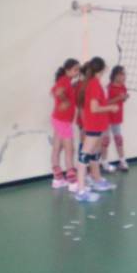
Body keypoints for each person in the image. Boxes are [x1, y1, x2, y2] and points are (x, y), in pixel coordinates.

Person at [75, 57, 118, 202]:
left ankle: (97, 179)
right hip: (93, 125)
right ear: (102, 69)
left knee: (94, 154)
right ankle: (81, 190)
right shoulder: (93, 84)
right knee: (84, 156)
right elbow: (94, 108)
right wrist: (111, 107)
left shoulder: (95, 83)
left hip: (98, 125)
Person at [50, 58, 80, 189]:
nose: (77, 72)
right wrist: (65, 101)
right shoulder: (64, 81)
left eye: (78, 70)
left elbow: (53, 91)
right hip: (63, 121)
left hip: (59, 119)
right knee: (70, 150)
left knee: (57, 148)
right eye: (75, 70)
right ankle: (72, 182)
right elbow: (56, 92)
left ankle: (57, 179)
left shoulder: (65, 81)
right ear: (67, 70)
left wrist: (67, 95)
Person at [101, 66, 130, 172]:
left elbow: (122, 100)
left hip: (117, 118)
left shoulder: (123, 87)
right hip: (106, 117)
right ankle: (104, 162)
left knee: (118, 139)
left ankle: (123, 161)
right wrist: (119, 98)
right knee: (105, 140)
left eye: (124, 74)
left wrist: (125, 98)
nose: (124, 76)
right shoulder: (109, 88)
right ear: (115, 75)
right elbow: (105, 103)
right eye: (122, 74)